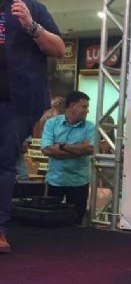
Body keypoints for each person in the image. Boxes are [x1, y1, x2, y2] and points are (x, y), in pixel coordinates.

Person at [0, 0, 65, 253]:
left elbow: (59, 49)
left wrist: (31, 25)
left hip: (15, 101)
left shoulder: (33, 8)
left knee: (3, 162)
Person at [41, 91, 95, 225]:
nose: (87, 111)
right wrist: (78, 149)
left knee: (76, 223)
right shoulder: (52, 124)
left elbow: (90, 149)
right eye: (84, 106)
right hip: (55, 181)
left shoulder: (90, 127)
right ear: (72, 106)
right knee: (50, 222)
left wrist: (62, 146)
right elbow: (47, 149)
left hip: (79, 182)